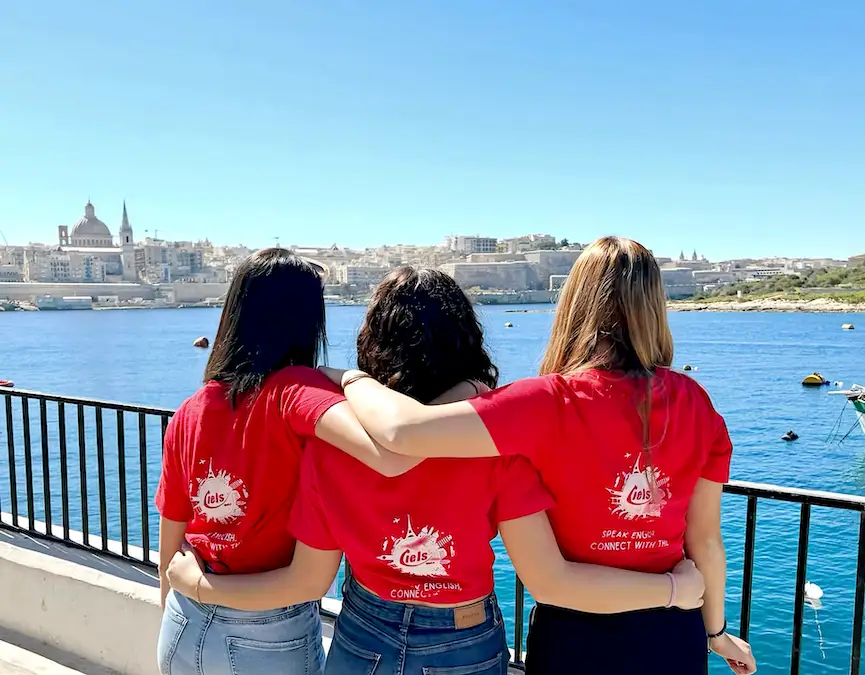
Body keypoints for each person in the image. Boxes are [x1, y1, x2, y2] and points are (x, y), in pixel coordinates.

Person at [166, 267, 706, 675]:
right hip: (461, 634)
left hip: (361, 627)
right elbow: (545, 573)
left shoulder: (331, 446)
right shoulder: (495, 448)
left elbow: (312, 573)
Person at [317, 239, 757, 675]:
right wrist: (715, 631)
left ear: (574, 303)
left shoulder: (545, 402)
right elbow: (705, 542)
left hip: (577, 634)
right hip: (671, 633)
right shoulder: (696, 403)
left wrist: (350, 378)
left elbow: (401, 432)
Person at [155, 249, 417, 675]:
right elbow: (392, 451)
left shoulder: (191, 409)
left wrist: (183, 603)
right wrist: (352, 378)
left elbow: (171, 542)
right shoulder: (295, 390)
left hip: (182, 622)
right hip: (266, 632)